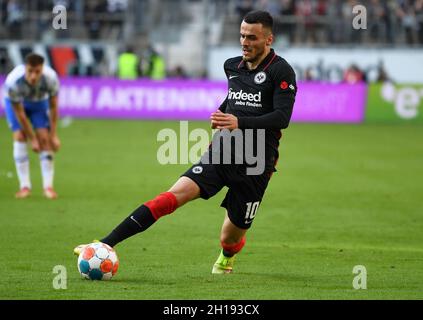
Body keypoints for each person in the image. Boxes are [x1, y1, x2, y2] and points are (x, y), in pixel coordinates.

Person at [74, 10, 297, 274]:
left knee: (230, 237)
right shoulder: (232, 66)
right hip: (222, 154)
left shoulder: (281, 70)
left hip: (256, 164)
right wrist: (222, 113)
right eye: (242, 35)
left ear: (268, 39)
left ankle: (227, 255)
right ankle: (105, 243)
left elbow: (282, 117)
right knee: (170, 197)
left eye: (252, 37)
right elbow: (233, 100)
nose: (245, 42)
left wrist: (239, 122)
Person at [3, 53, 60, 199]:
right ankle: (25, 186)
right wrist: (31, 139)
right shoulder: (13, 82)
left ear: (42, 69)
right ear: (25, 69)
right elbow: (21, 115)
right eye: (30, 71)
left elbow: (54, 107)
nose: (33, 76)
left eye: (37, 72)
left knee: (44, 139)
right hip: (16, 103)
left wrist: (53, 135)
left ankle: (48, 187)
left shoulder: (51, 78)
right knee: (20, 136)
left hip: (38, 102)